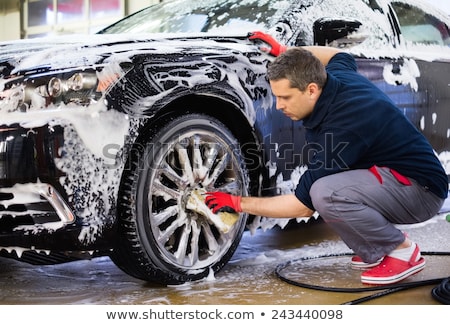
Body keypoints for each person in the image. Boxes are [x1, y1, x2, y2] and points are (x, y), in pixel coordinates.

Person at [205, 31, 448, 285]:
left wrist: (237, 202)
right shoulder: (334, 78)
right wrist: (286, 51)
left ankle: (402, 251)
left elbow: (303, 205)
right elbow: (340, 55)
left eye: (285, 97)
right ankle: (376, 250)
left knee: (324, 192)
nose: (278, 105)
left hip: (421, 192)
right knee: (328, 188)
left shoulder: (343, 128)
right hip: (397, 177)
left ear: (311, 90)